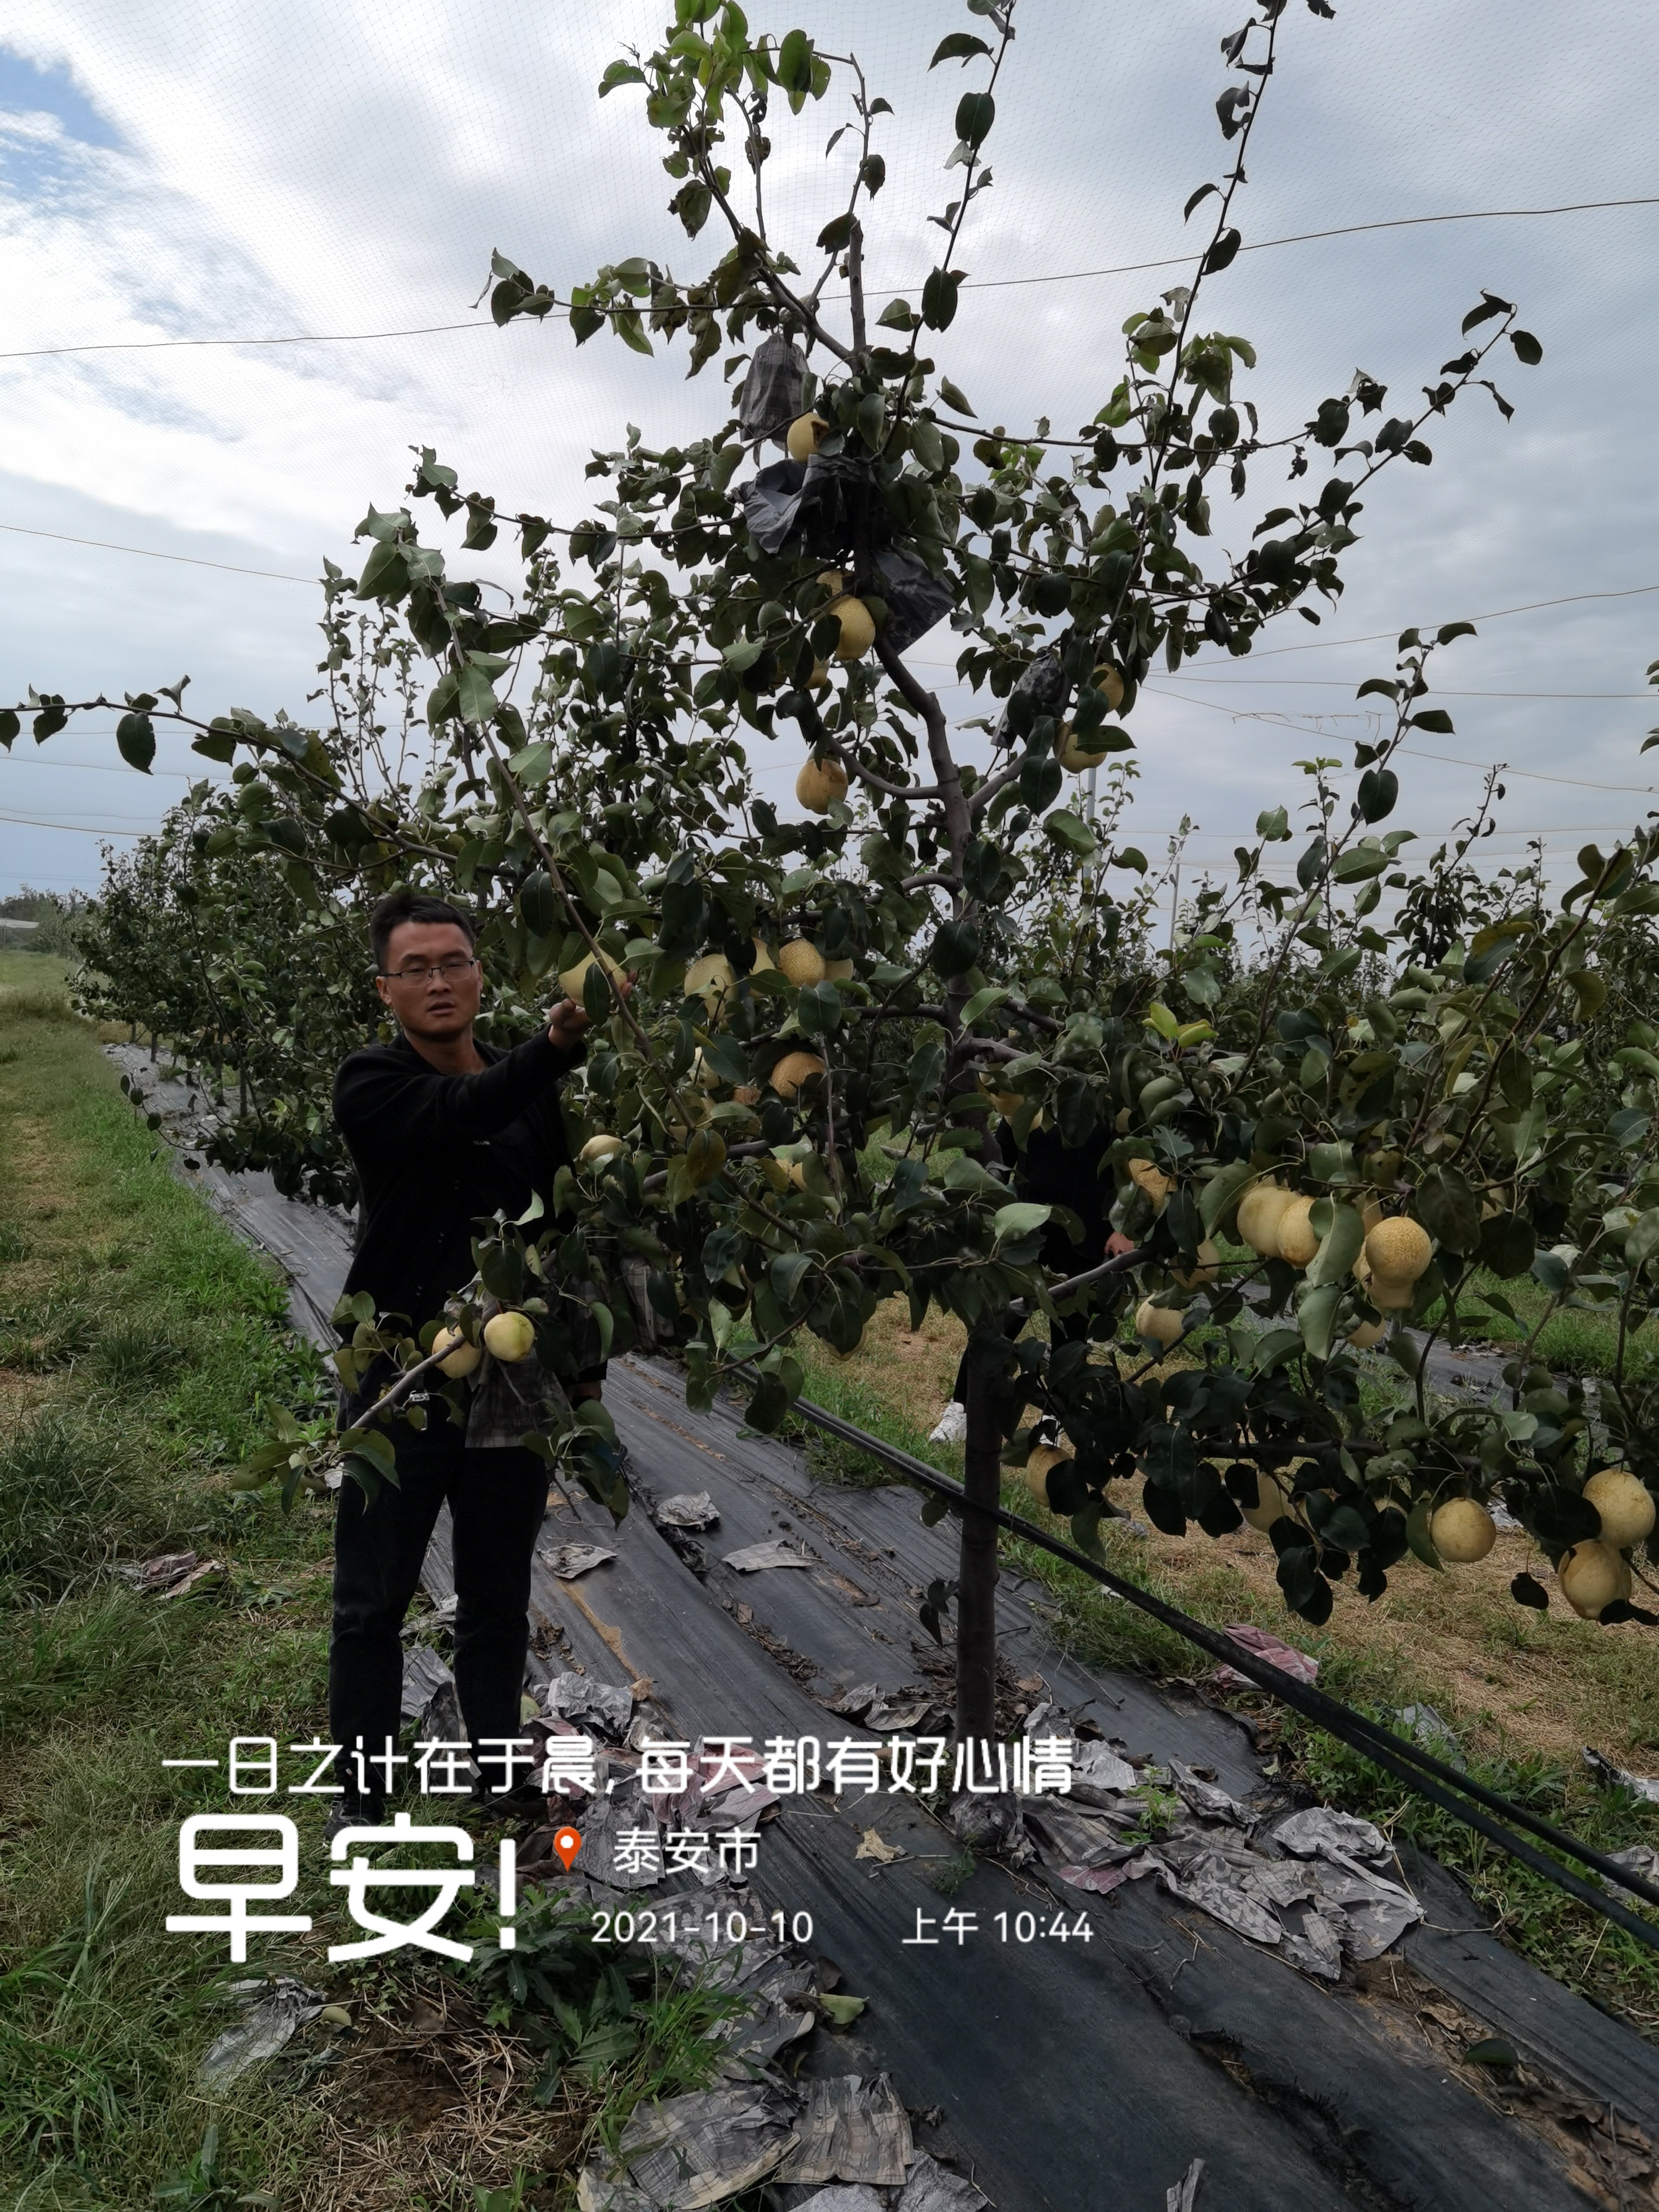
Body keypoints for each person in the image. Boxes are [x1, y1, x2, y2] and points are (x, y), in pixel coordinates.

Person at [326, 889, 612, 1832]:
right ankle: (363, 1803)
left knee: (496, 1598)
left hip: (510, 1381)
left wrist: (584, 1376)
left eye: (453, 962)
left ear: (480, 975)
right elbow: (459, 1107)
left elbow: (566, 1231)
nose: (438, 981)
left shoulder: (532, 1094)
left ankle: (498, 1773)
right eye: (416, 968)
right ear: (386, 989)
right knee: (372, 1601)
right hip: (400, 1382)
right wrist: (554, 1050)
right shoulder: (372, 1081)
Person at [928, 1122, 1132, 1445]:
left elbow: (1134, 1170)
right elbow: (998, 1160)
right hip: (1025, 1233)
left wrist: (1126, 1227)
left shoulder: (1107, 1104)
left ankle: (1054, 1420)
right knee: (995, 1325)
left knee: (1070, 1333)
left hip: (1087, 1234)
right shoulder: (1032, 1097)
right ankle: (962, 1408)